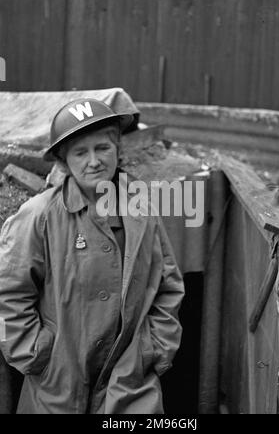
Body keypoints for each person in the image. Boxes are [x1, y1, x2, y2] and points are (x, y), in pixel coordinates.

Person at [0, 98, 184, 414]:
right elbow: (7, 297)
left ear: (117, 149)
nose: (94, 161)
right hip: (57, 389)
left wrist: (152, 349)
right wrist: (35, 354)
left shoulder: (141, 210)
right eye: (80, 152)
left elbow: (168, 287)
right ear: (64, 161)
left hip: (130, 385)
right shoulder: (38, 217)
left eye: (103, 148)